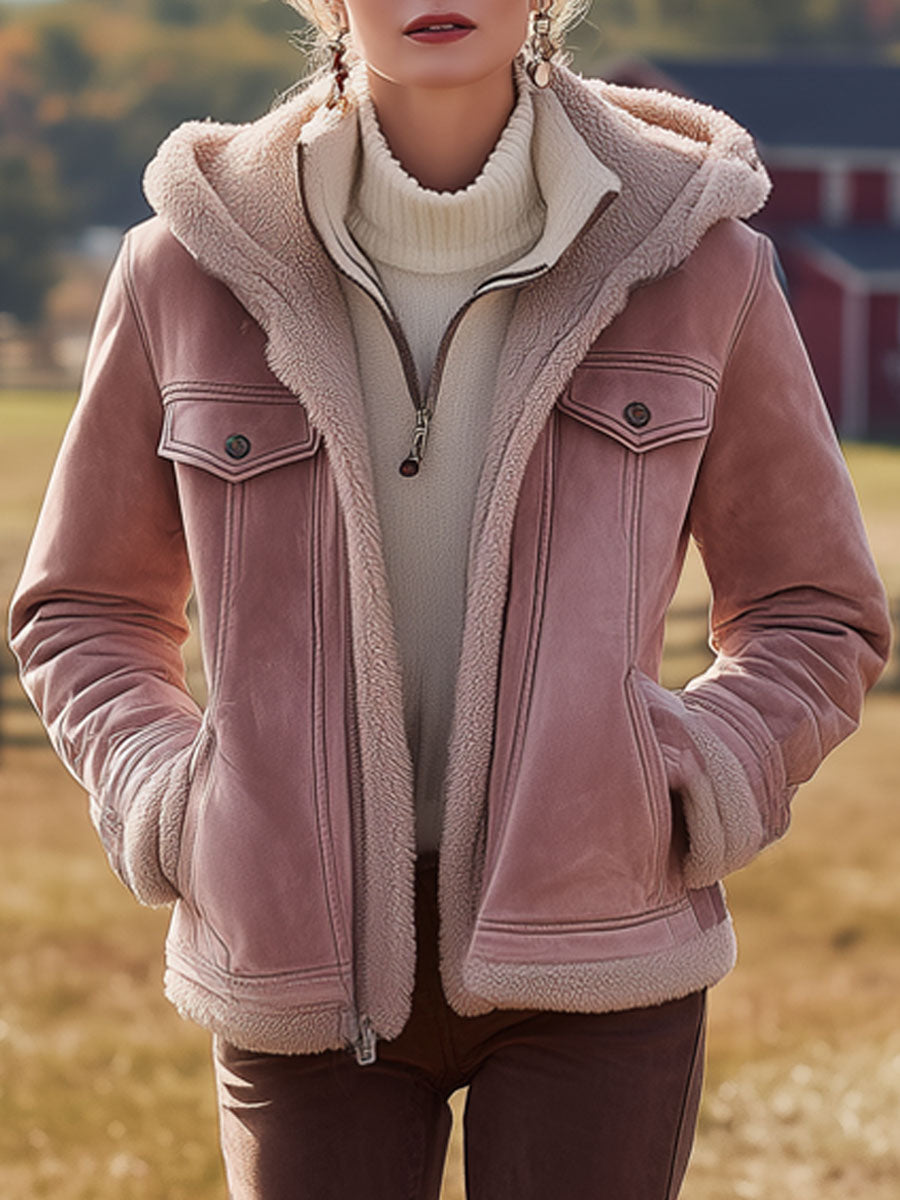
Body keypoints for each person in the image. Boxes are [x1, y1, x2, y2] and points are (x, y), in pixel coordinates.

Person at [9, 1, 892, 1197]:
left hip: (599, 948)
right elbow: (83, 608)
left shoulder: (700, 260)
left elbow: (812, 606)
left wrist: (696, 774)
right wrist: (174, 800)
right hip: (295, 961)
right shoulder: (185, 264)